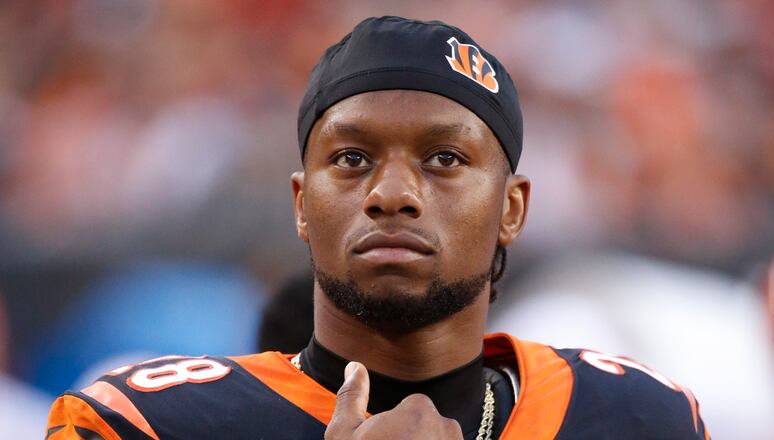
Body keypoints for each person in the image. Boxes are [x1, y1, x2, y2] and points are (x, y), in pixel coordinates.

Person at [45, 16, 709, 439]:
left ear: (512, 209)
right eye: (352, 158)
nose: (393, 194)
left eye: (445, 158)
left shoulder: (638, 419)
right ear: (302, 205)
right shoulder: (146, 426)